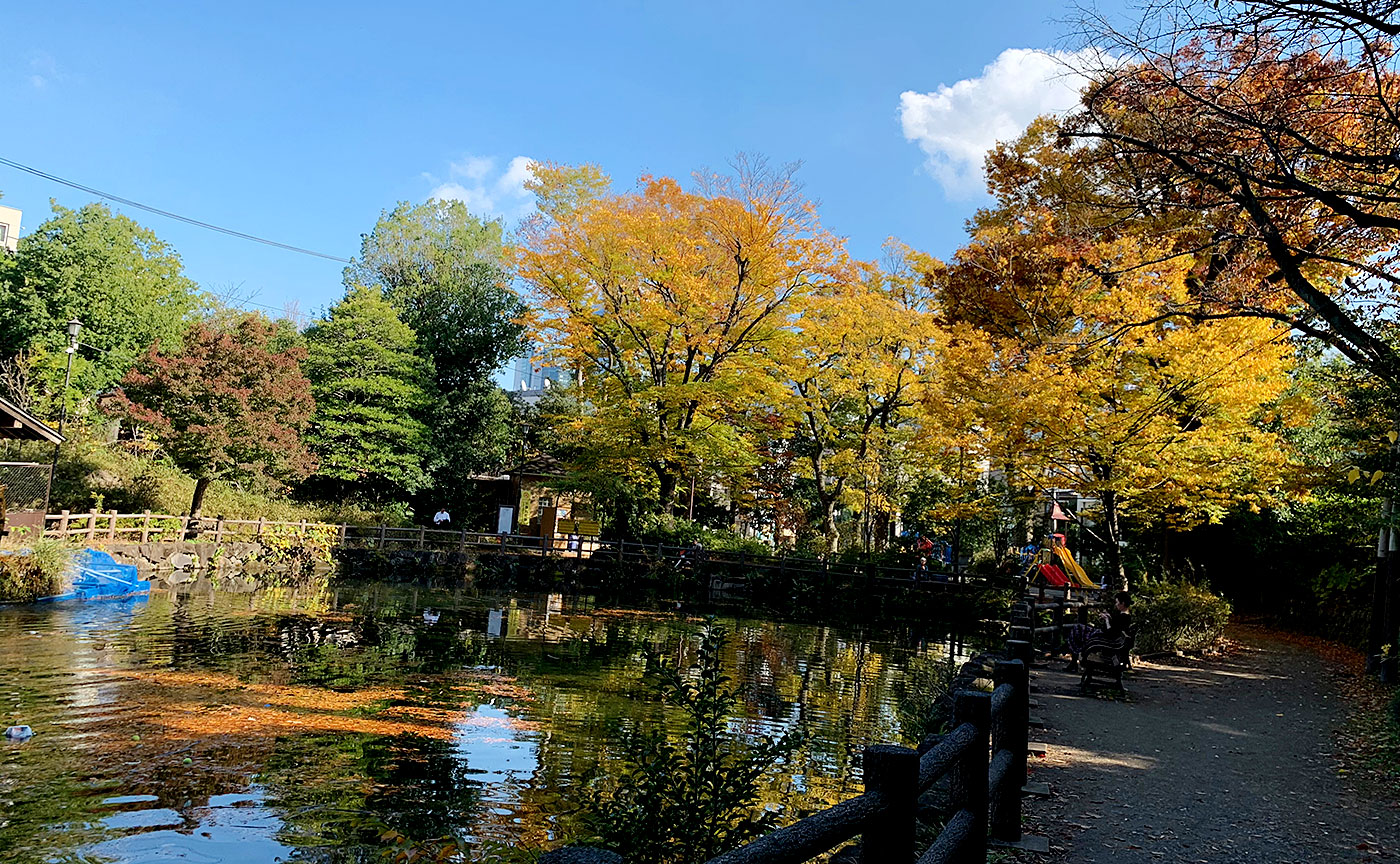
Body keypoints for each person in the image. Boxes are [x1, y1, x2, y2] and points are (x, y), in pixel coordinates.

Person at [1065, 591, 1131, 672]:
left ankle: (1074, 659)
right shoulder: (1122, 616)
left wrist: (1107, 620)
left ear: (1122, 603)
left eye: (1117, 602)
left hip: (1104, 638)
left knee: (1077, 630)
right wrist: (1109, 617)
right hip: (1104, 636)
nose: (1116, 604)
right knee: (1077, 629)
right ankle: (1074, 660)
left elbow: (1110, 632)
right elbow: (1115, 626)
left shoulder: (1124, 617)